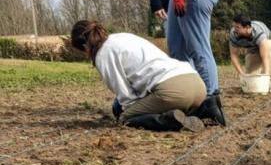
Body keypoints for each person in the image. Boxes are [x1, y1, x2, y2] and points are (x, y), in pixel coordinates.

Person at [70, 20, 206, 132]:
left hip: (173, 91)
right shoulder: (123, 36)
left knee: (125, 118)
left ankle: (171, 121)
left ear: (84, 45)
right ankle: (208, 107)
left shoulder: (103, 54)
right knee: (122, 106)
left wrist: (126, 111)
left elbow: (126, 96)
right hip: (197, 84)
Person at [229, 15, 271, 90]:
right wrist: (242, 74)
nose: (235, 29)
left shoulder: (258, 32)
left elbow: (265, 57)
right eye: (234, 26)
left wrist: (266, 76)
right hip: (253, 49)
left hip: (270, 44)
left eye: (238, 27)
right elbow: (234, 55)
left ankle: (270, 81)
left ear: (247, 27)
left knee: (267, 49)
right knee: (250, 76)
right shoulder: (233, 34)